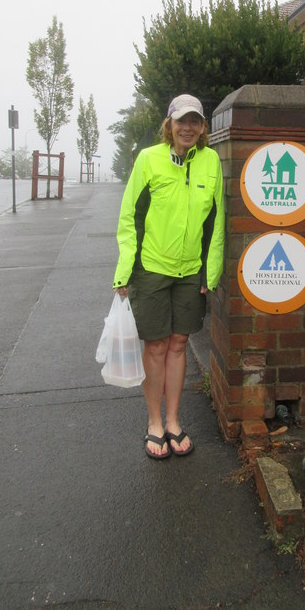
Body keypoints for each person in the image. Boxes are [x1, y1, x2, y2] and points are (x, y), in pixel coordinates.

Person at [113, 94, 225, 460]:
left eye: (195, 121)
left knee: (178, 344)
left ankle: (174, 421)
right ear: (169, 124)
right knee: (156, 345)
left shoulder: (211, 162)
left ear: (203, 127)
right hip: (152, 270)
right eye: (182, 121)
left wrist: (212, 271)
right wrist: (125, 269)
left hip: (191, 272)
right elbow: (130, 216)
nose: (188, 128)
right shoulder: (149, 159)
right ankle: (154, 423)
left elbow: (216, 222)